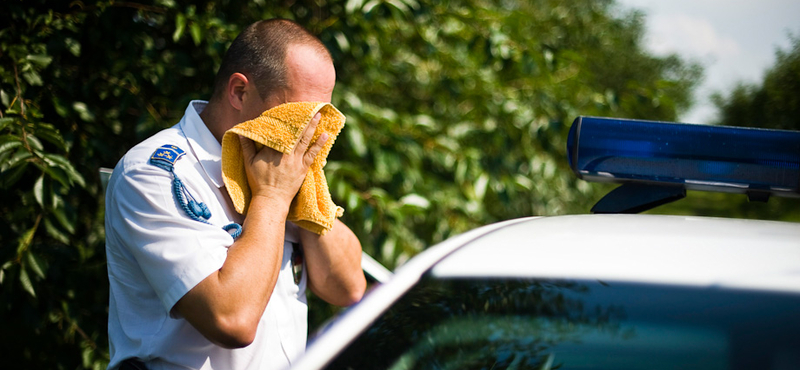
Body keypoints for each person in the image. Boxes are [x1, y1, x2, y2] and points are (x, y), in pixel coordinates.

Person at [104, 19, 366, 370]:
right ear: (239, 92)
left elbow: (347, 287)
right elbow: (231, 320)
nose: (311, 132)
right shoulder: (154, 173)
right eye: (299, 115)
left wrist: (303, 189)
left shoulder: (279, 168)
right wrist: (272, 199)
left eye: (321, 117)